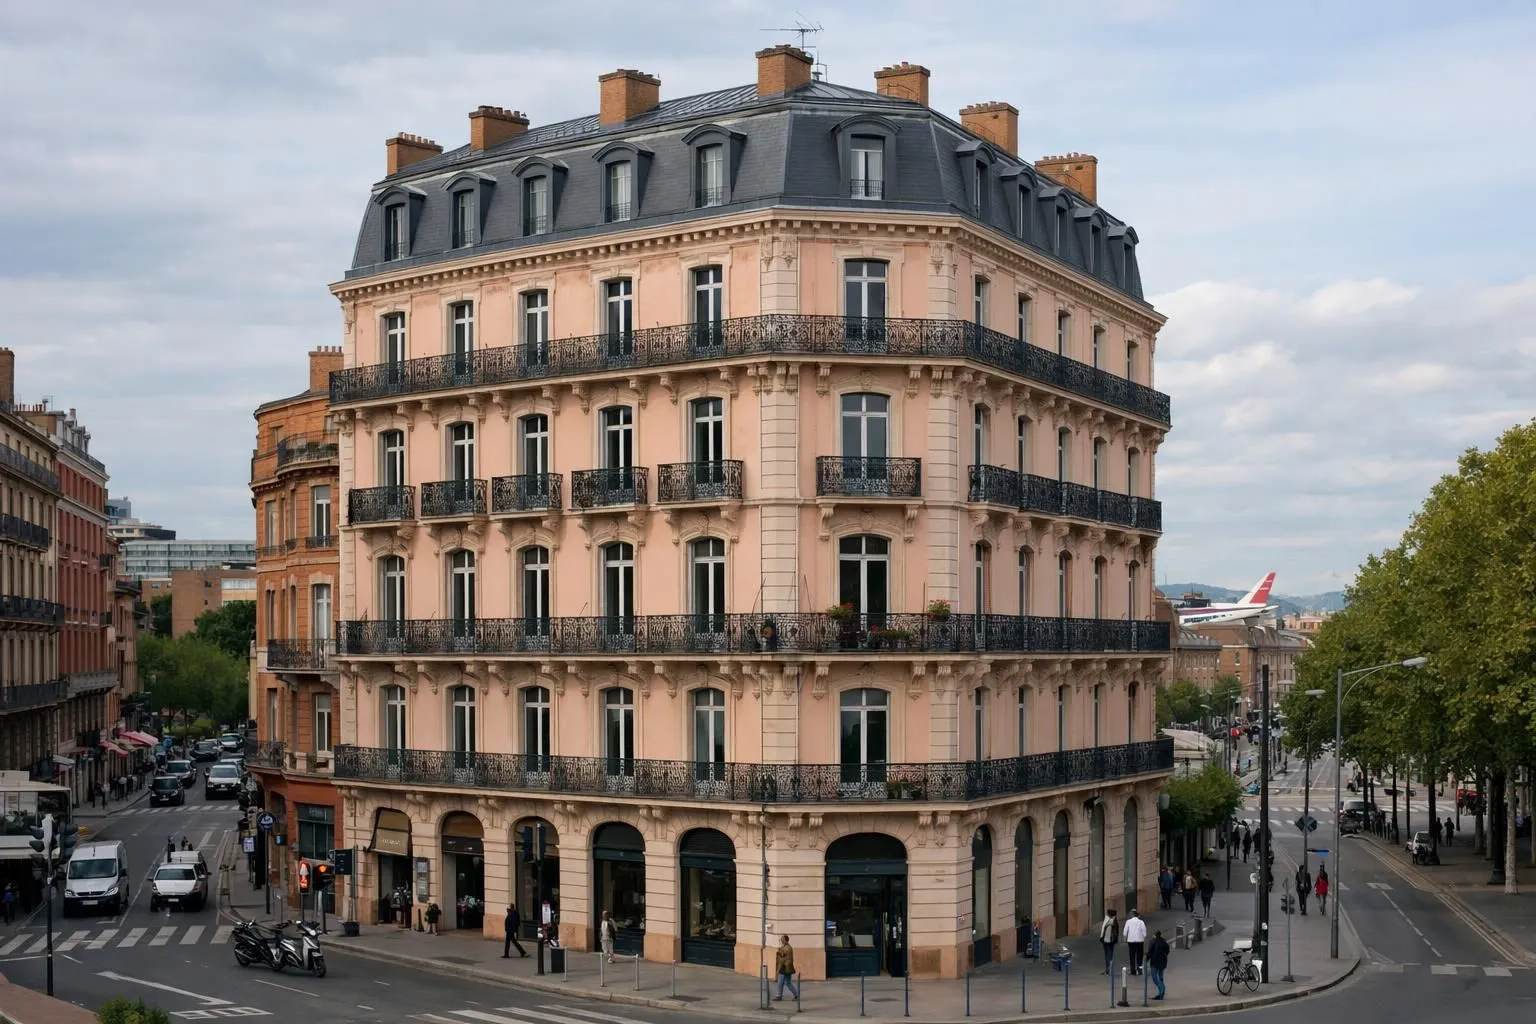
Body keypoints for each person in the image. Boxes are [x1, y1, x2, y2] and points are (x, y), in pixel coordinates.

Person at [774, 935, 800, 1001]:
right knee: (788, 982)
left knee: (781, 982)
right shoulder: (786, 947)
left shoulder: (787, 948)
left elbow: (782, 957)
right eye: (781, 939)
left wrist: (778, 969)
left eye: (782, 939)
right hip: (787, 967)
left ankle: (779, 996)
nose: (781, 940)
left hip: (784, 967)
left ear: (786, 940)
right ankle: (796, 995)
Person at [1147, 928, 1170, 1000]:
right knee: (1160, 976)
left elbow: (1150, 952)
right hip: (1163, 961)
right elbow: (1167, 951)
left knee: (1154, 977)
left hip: (1155, 961)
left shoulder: (1152, 942)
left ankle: (1162, 990)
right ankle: (1161, 992)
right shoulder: (1164, 942)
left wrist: (1146, 959)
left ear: (1154, 935)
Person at [1123, 909, 1147, 975]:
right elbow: (1144, 932)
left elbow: (1125, 932)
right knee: (1139, 955)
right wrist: (1143, 937)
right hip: (1139, 941)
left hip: (1131, 941)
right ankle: (1139, 970)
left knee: (1132, 955)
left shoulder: (1128, 921)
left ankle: (1132, 970)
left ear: (1132, 915)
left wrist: (1125, 939)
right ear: (1137, 915)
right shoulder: (1141, 922)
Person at [1098, 907, 1119, 975]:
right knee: (1110, 954)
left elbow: (1103, 931)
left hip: (1107, 940)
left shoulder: (1109, 921)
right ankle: (1108, 969)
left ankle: (1108, 970)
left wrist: (1101, 938)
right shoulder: (1114, 920)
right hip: (1111, 940)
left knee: (1108, 955)